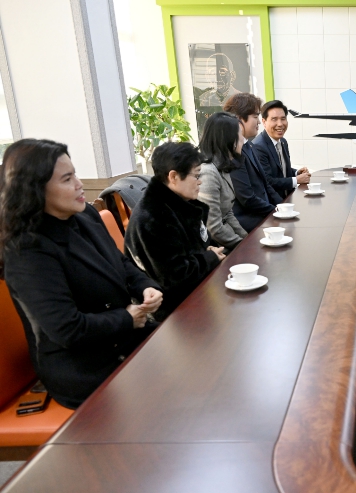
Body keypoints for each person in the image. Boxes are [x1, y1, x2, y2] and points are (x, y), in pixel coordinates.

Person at [0, 139, 163, 409]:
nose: (79, 184)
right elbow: (67, 329)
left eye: (75, 174)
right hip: (85, 366)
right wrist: (126, 318)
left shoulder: (85, 214)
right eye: (67, 179)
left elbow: (119, 263)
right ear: (35, 190)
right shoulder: (27, 250)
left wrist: (144, 286)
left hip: (123, 337)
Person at [125, 142, 225, 321]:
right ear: (173, 176)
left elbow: (197, 245)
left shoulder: (179, 202)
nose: (200, 181)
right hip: (172, 309)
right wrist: (209, 257)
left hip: (196, 290)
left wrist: (208, 250)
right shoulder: (153, 217)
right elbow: (175, 277)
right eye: (196, 175)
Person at [223, 95, 284, 231]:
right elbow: (247, 198)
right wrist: (275, 211)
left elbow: (266, 184)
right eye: (255, 117)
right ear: (239, 118)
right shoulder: (233, 151)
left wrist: (282, 206)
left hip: (263, 215)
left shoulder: (249, 145)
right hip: (249, 224)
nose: (259, 122)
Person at [197, 112, 248, 248]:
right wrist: (244, 246)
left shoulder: (221, 165)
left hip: (226, 238)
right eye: (240, 135)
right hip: (215, 247)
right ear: (229, 139)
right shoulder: (208, 173)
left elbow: (228, 213)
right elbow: (213, 228)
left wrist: (247, 239)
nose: (243, 140)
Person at [252, 100, 310, 198]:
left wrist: (296, 172)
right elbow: (268, 181)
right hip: (273, 202)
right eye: (274, 119)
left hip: (288, 198)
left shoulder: (283, 141)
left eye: (283, 119)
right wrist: (296, 180)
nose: (280, 124)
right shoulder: (259, 146)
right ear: (264, 122)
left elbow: (280, 170)